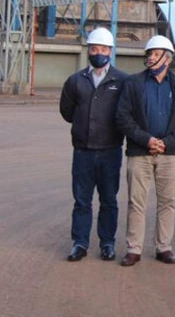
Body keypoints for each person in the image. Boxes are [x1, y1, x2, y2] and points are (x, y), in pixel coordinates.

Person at [116, 35, 175, 267]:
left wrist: (168, 142)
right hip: (139, 152)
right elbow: (123, 116)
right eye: (149, 54)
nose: (151, 57)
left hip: (170, 154)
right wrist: (146, 139)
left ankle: (164, 247)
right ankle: (134, 248)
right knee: (136, 202)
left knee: (167, 201)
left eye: (156, 53)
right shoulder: (133, 83)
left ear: (167, 59)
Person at [59, 27, 128, 262]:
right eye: (94, 49)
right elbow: (67, 112)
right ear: (89, 51)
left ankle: (107, 243)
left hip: (110, 151)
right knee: (82, 200)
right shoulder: (76, 81)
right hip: (83, 151)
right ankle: (79, 243)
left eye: (103, 49)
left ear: (110, 51)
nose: (99, 52)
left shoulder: (121, 80)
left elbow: (127, 112)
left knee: (109, 199)